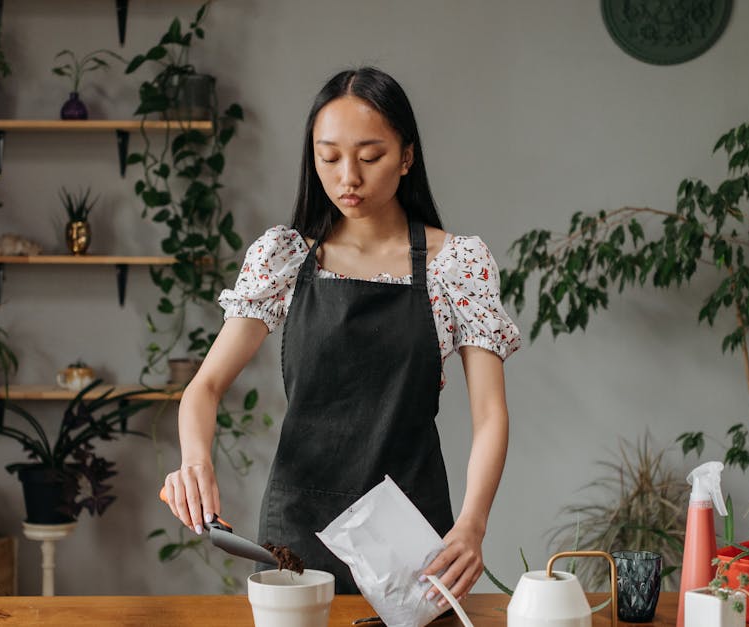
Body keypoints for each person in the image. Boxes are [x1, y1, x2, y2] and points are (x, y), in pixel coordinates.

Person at [161, 67, 520, 605]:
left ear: (406, 156)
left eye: (369, 156)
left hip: (413, 536)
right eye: (328, 158)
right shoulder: (285, 257)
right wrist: (195, 461)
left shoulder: (456, 264)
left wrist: (472, 524)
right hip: (298, 529)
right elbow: (205, 386)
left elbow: (490, 413)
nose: (347, 176)